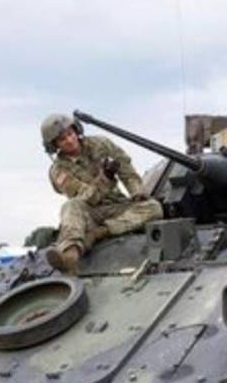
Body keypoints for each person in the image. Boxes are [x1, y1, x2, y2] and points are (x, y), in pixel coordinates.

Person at [40, 113, 163, 274]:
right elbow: (86, 198)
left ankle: (100, 233)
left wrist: (137, 192)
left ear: (76, 130)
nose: (69, 140)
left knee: (154, 208)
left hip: (118, 208)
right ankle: (70, 254)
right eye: (62, 139)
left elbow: (126, 169)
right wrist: (105, 178)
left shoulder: (101, 144)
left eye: (70, 134)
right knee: (71, 206)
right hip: (90, 215)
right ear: (54, 145)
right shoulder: (59, 171)